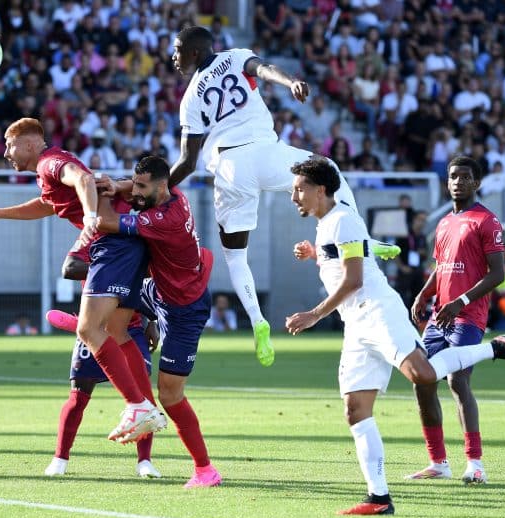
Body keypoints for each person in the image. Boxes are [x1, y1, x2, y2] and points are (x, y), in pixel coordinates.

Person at [285, 157, 505, 515]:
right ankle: (379, 498)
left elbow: (354, 280)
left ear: (320, 190)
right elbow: (344, 261)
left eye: (299, 188)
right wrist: (315, 255)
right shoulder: (327, 225)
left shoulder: (344, 219)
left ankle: (492, 349)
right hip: (355, 325)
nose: (294, 196)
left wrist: (313, 315)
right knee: (355, 410)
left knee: (424, 376)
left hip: (377, 312)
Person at [167, 26, 398, 368]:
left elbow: (187, 162)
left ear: (196, 52)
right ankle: (361, 238)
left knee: (235, 256)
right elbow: (263, 69)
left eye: (177, 50)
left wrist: (159, 188)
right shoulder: (236, 56)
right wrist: (291, 82)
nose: (173, 57)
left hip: (231, 167)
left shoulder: (190, 99)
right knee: (328, 168)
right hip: (267, 153)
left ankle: (258, 322)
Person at [0, 118, 164, 443]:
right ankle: (142, 402)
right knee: (115, 331)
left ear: (29, 144)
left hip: (112, 242)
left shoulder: (49, 162)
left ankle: (137, 405)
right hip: (129, 243)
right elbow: (48, 204)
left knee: (86, 324)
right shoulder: (50, 173)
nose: (5, 153)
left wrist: (89, 218)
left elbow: (83, 178)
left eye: (9, 144)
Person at [94, 155, 222, 488]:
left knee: (171, 395)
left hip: (184, 308)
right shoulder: (172, 192)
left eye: (141, 186)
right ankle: (136, 402)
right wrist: (117, 184)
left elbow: (106, 223)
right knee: (111, 324)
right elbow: (134, 191)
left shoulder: (165, 219)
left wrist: (100, 194)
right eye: (133, 183)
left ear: (161, 186)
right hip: (159, 290)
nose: (134, 191)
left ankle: (205, 470)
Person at [406, 156, 505, 484]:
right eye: (453, 176)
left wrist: (461, 301)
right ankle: (438, 462)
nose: (458, 182)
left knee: (457, 380)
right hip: (440, 316)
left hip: (469, 316)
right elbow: (443, 266)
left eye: (465, 177)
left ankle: (475, 464)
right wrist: (424, 293)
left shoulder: (486, 221)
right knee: (421, 381)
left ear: (476, 183)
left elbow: (499, 274)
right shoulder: (445, 223)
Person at [43, 240, 160, 479]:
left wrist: (152, 321)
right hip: (94, 329)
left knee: (143, 397)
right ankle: (60, 458)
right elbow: (71, 268)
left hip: (132, 329)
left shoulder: (137, 237)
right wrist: (111, 269)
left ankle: (145, 461)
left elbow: (146, 282)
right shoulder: (91, 235)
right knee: (78, 395)